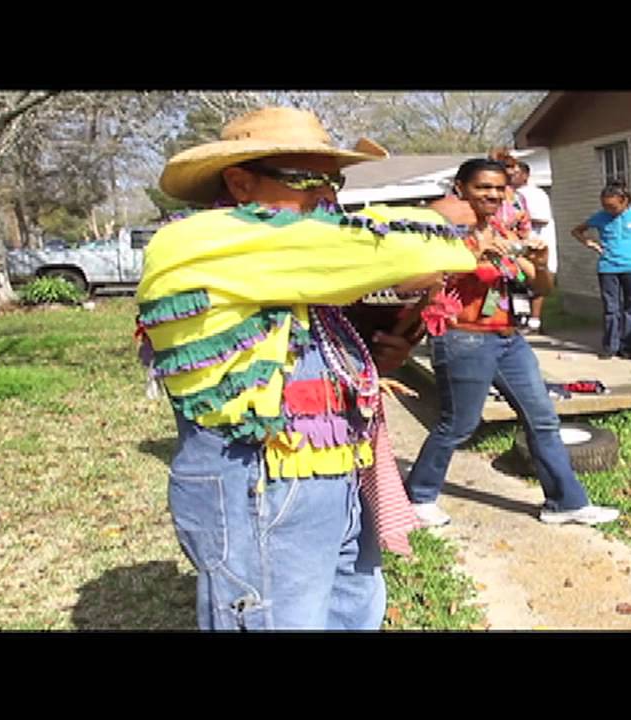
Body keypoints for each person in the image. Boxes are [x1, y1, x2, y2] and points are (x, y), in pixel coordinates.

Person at [135, 107, 477, 630]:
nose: (325, 196)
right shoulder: (202, 240)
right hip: (259, 479)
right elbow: (428, 245)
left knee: (351, 612)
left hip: (329, 474)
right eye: (304, 179)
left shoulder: (286, 258)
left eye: (333, 181)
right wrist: (440, 220)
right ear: (240, 182)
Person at [404, 158, 620, 528]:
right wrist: (475, 253)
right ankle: (418, 497)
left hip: (509, 340)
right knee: (459, 424)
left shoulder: (504, 230)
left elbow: (542, 287)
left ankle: (565, 503)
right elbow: (415, 280)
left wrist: (541, 261)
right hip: (464, 338)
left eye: (498, 188)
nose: (492, 194)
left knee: (543, 420)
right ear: (460, 188)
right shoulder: (441, 231)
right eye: (482, 187)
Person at [571, 182, 631, 360]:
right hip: (608, 267)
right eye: (605, 206)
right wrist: (591, 244)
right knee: (611, 308)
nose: (609, 210)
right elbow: (577, 231)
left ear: (624, 201)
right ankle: (610, 346)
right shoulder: (600, 217)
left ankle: (629, 347)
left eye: (613, 206)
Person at [508, 159, 556, 333]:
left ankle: (534, 320)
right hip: (513, 244)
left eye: (515, 173)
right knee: (517, 282)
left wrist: (518, 219)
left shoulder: (534, 194)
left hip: (535, 244)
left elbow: (543, 218)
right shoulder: (508, 193)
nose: (511, 176)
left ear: (525, 175)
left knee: (536, 279)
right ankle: (518, 318)